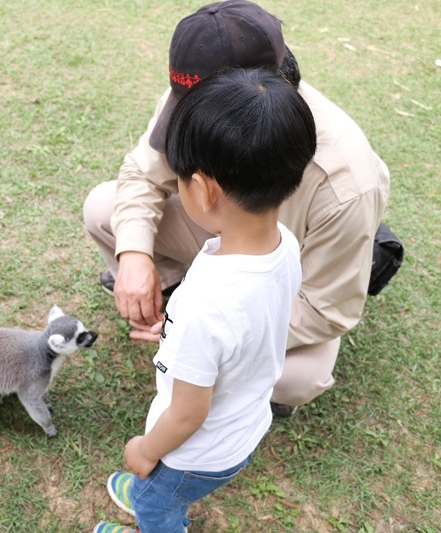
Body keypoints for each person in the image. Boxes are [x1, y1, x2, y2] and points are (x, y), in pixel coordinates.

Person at [83, 0, 390, 416]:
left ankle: (243, 374)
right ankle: (174, 285)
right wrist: (135, 255)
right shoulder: (195, 89)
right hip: (218, 236)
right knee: (105, 208)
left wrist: (210, 331)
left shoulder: (345, 182)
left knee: (300, 377)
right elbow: (141, 173)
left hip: (285, 282)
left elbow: (324, 308)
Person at [94, 67, 316, 533]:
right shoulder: (286, 244)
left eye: (179, 178)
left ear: (206, 187)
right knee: (161, 493)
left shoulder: (206, 303)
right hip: (243, 428)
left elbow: (188, 413)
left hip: (189, 455)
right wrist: (178, 330)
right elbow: (246, 328)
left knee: (158, 507)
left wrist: (145, 450)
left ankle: (153, 512)